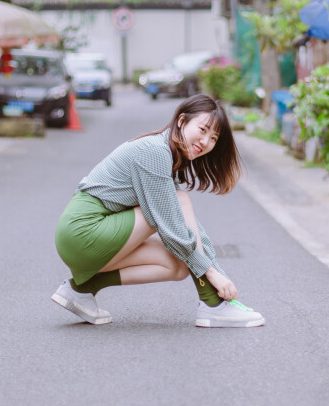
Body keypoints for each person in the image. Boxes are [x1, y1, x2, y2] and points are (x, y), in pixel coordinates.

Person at [52, 94, 264, 328]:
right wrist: (212, 273)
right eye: (203, 130)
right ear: (182, 121)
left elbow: (188, 229)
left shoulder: (165, 154)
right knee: (178, 206)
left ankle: (81, 290)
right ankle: (213, 305)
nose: (205, 142)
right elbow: (173, 226)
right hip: (82, 231)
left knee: (178, 264)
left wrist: (212, 267)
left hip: (87, 237)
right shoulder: (155, 152)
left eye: (213, 138)